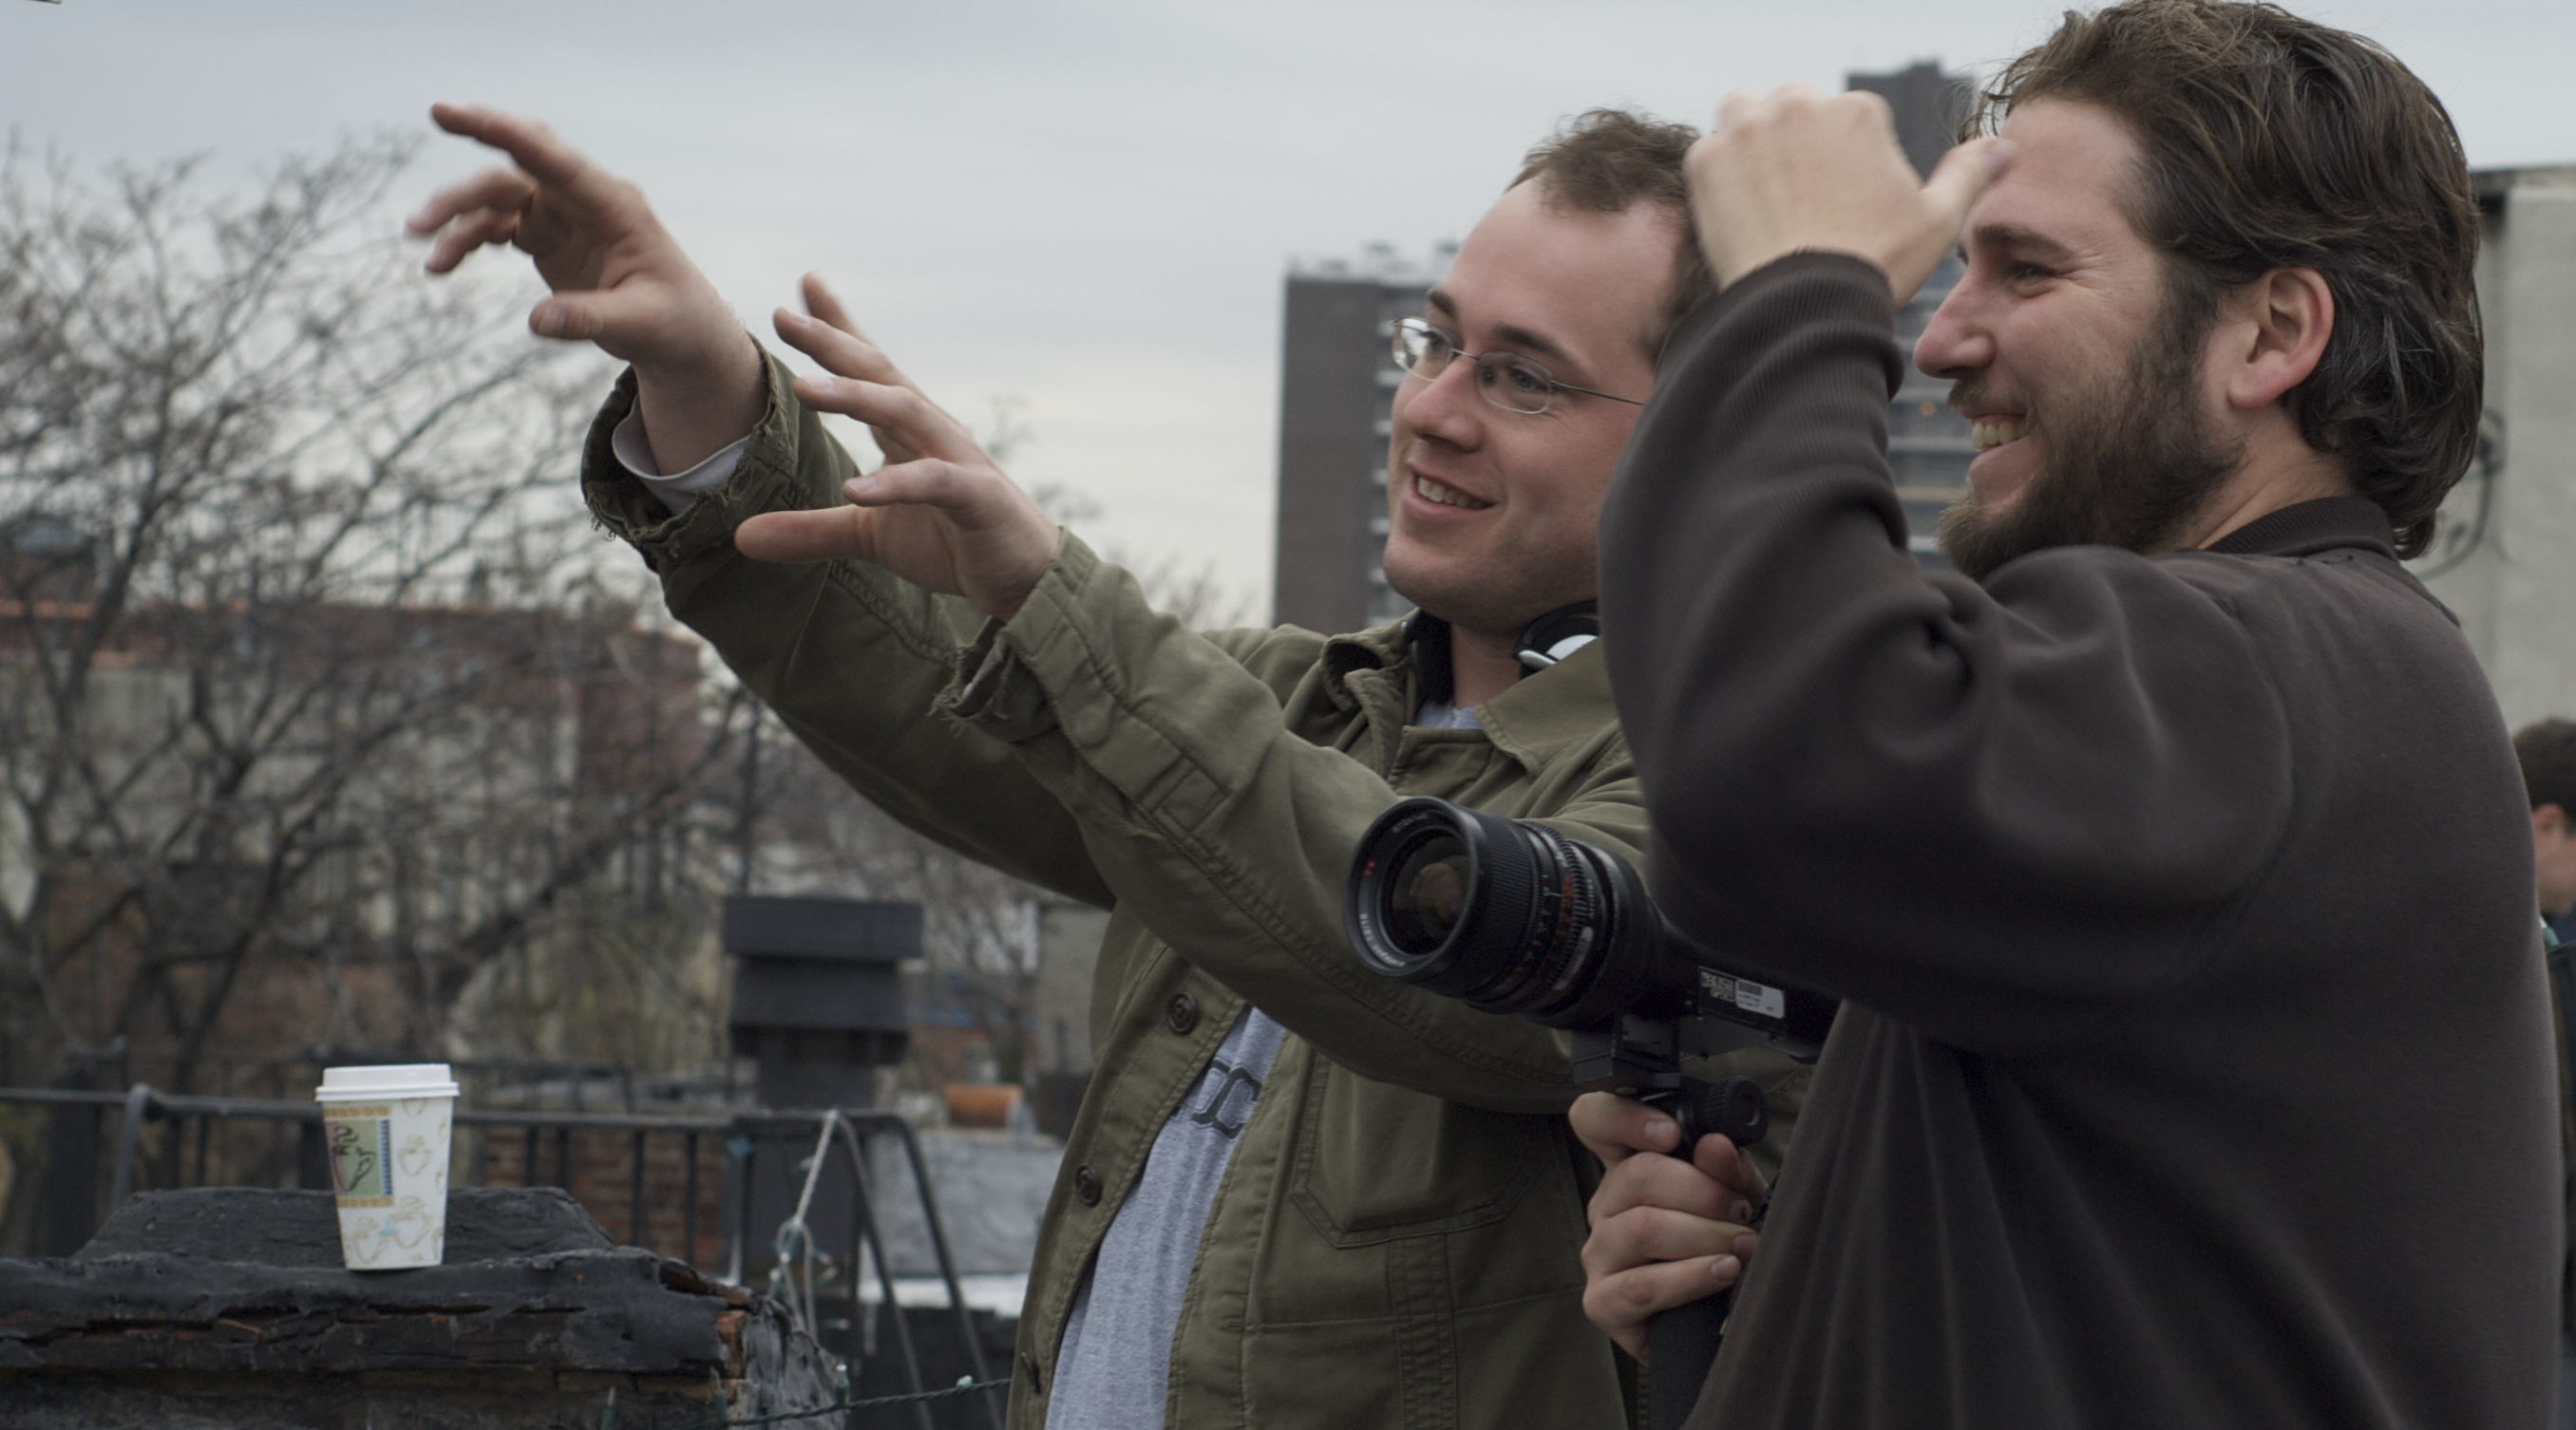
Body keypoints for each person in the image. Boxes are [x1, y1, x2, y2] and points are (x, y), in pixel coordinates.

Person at [410, 106, 1805, 1428]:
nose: (1433, 408)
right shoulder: (1292, 707)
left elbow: (1401, 927)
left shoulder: (1732, 794)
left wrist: (1053, 598)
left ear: (1702, 449)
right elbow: (933, 678)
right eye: (1431, 343)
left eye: (1519, 375)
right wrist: (708, 386)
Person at [1574, 2, 2560, 1426]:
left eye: (2022, 269)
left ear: (2272, 332)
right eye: (1947, 274)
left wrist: (1800, 284)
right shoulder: (2273, 697)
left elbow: (1769, 764)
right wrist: (1783, 1287)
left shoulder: (2274, 667)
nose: (1940, 343)